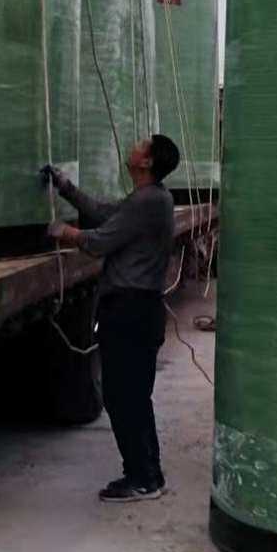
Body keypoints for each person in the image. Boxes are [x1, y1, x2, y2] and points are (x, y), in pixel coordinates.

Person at [40, 134, 180, 503]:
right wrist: (66, 188)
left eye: (141, 145)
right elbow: (104, 213)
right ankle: (148, 474)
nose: (134, 146)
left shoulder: (149, 201)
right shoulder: (148, 198)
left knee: (123, 397)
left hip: (131, 309)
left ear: (147, 162)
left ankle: (142, 478)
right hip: (137, 309)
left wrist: (65, 232)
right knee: (133, 396)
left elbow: (101, 240)